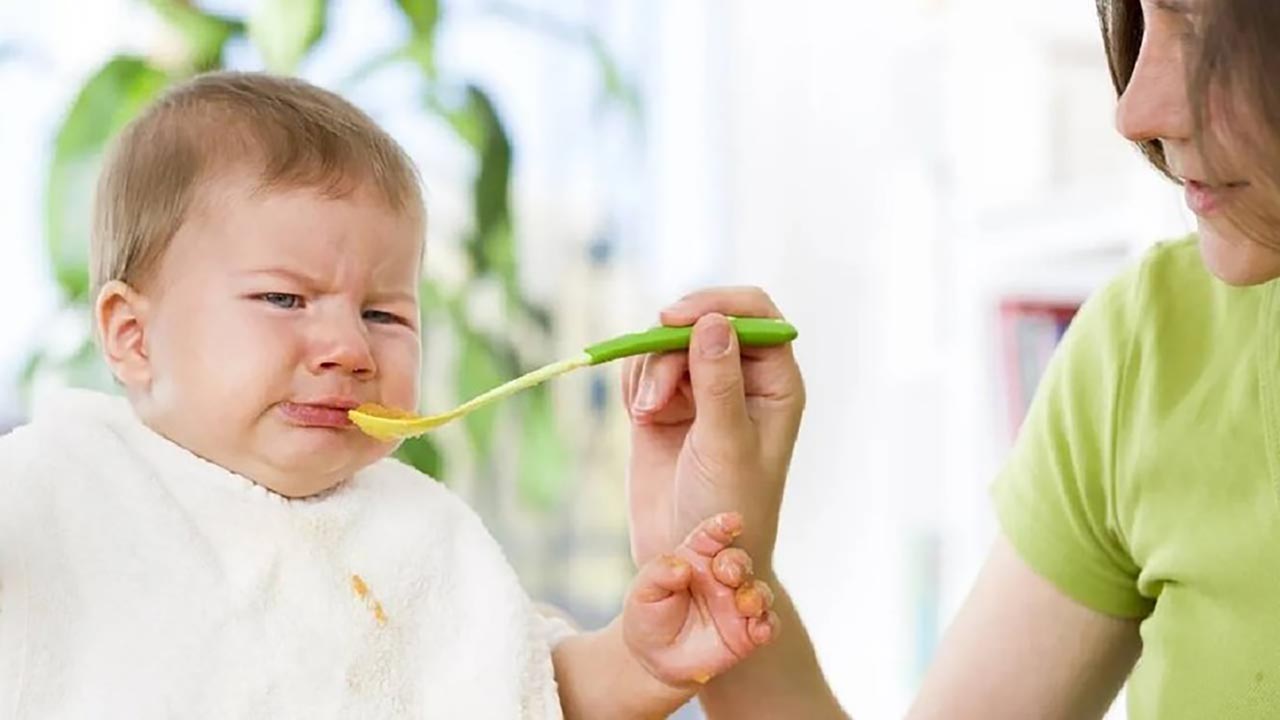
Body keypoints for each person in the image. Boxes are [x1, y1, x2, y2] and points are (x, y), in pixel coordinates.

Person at [0, 71, 786, 719]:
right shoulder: (56, 489)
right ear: (133, 336)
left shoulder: (419, 534)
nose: (348, 349)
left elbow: (521, 693)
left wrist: (639, 663)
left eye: (383, 314)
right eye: (285, 300)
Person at [626, 0, 1280, 717]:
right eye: (1144, 19)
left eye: (1197, 26)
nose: (1134, 112)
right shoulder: (1147, 350)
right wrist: (722, 571)